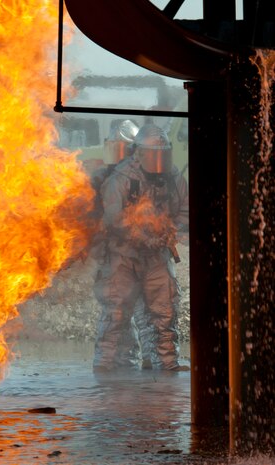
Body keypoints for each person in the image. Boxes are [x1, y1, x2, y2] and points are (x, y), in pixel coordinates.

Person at [93, 123, 189, 372]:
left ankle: (166, 366)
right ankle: (107, 370)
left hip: (158, 256)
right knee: (116, 314)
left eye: (163, 154)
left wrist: (170, 233)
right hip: (123, 257)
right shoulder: (122, 178)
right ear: (140, 153)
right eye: (154, 154)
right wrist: (144, 237)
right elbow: (114, 218)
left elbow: (186, 210)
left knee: (164, 312)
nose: (159, 160)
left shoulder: (173, 176)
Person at [90, 119, 153, 369]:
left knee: (149, 312)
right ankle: (110, 367)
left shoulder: (149, 177)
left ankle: (146, 365)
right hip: (115, 255)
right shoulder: (102, 178)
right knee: (116, 313)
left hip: (143, 253)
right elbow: (97, 218)